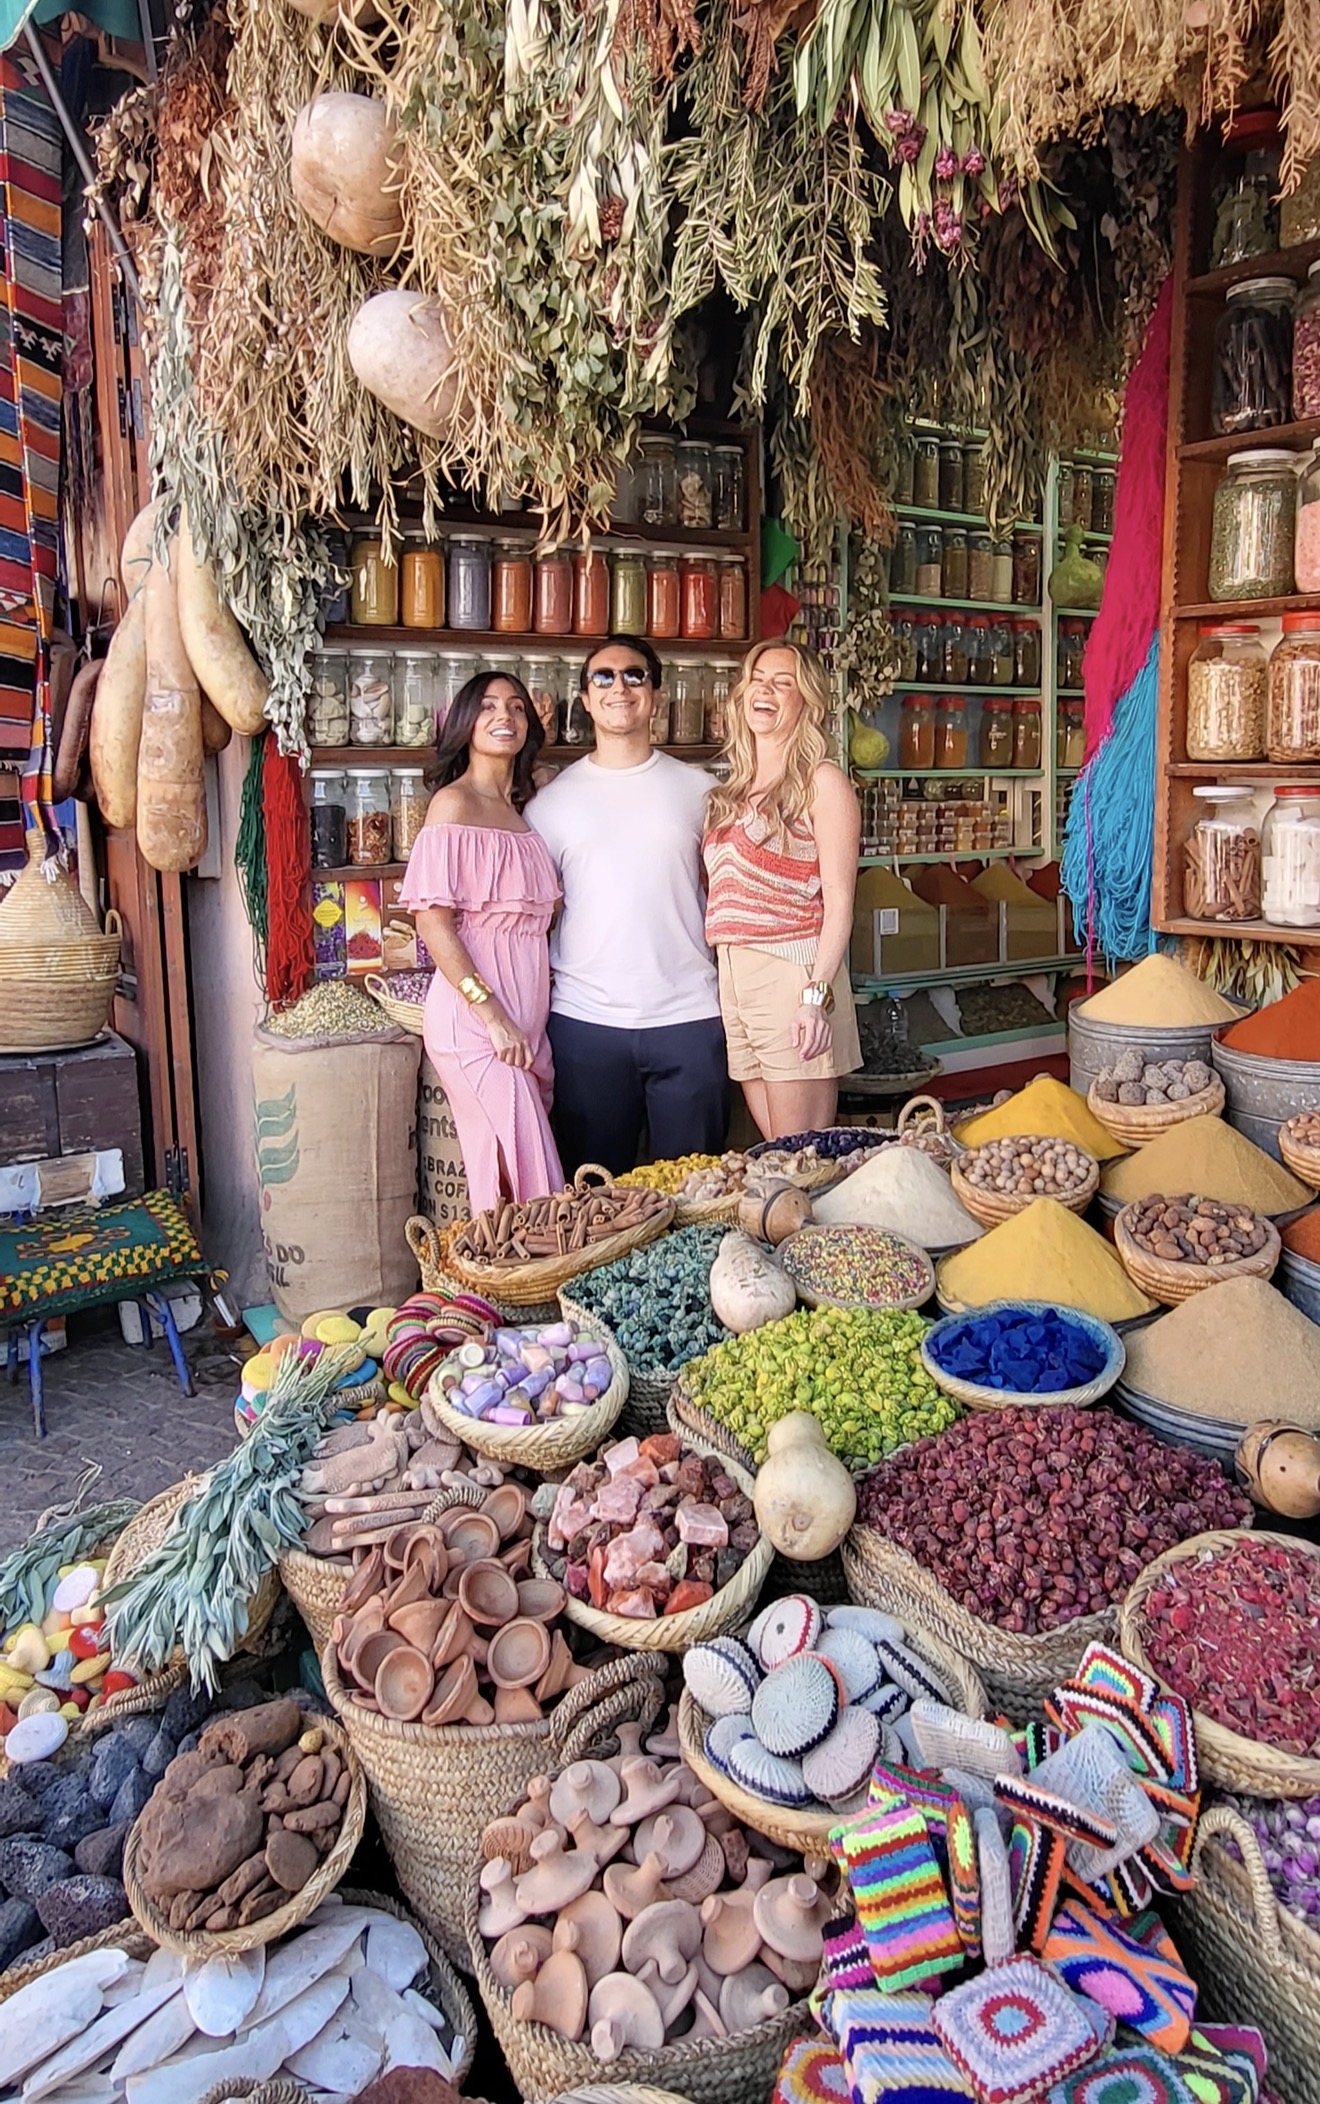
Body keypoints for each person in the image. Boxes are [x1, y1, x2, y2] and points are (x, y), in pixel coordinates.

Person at [526, 634, 728, 1177]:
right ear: (586, 700)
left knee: (697, 1191)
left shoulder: (702, 792)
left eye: (635, 675)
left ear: (656, 696)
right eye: (604, 677)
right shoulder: (550, 804)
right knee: (593, 1194)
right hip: (585, 1023)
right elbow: (535, 913)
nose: (620, 686)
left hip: (689, 1017)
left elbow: (728, 890)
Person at [397, 670, 563, 1213]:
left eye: (516, 707)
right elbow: (433, 924)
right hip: (477, 1024)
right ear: (466, 723)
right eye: (488, 707)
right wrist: (491, 1014)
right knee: (535, 1182)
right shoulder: (453, 805)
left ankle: (494, 1268)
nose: (504, 717)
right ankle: (535, 1267)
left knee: (506, 1180)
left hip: (525, 1024)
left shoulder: (523, 812)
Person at [702, 637, 862, 1140]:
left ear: (807, 701)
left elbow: (840, 904)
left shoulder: (822, 782)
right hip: (735, 973)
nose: (765, 690)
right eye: (757, 680)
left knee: (801, 1154)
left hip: (792, 973)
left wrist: (815, 996)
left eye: (782, 682)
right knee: (778, 1149)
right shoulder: (731, 792)